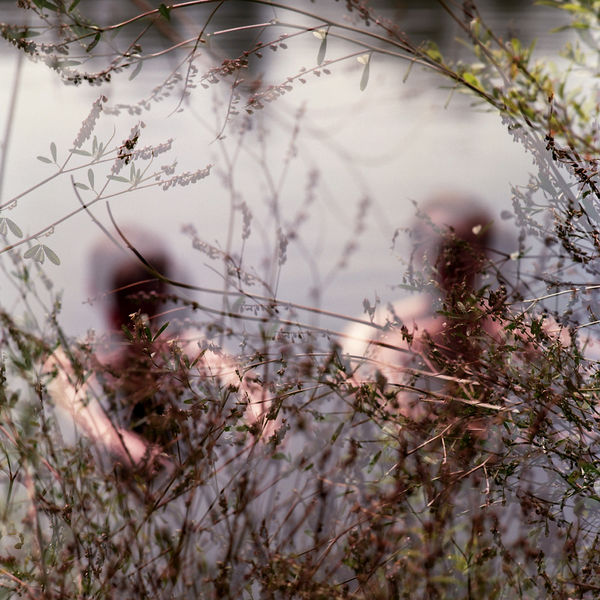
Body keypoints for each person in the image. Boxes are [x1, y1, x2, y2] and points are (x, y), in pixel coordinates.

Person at [44, 230, 271, 470]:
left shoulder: (186, 347)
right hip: (116, 466)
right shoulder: (78, 359)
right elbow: (69, 400)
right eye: (128, 297)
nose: (141, 313)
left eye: (148, 299)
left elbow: (246, 384)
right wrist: (112, 438)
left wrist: (261, 416)